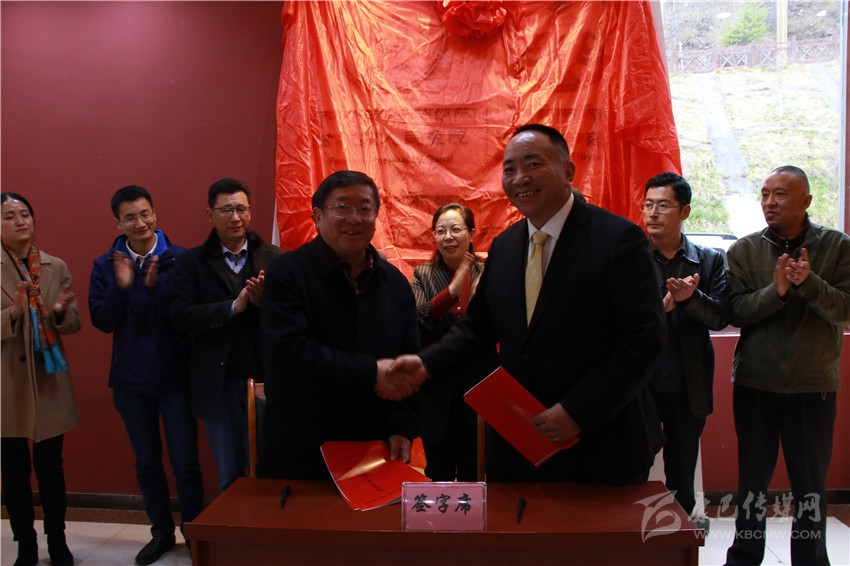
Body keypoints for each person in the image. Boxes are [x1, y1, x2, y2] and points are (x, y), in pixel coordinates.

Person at [390, 124, 666, 484]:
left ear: (567, 171)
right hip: (519, 440)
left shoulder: (618, 239)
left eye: (533, 164)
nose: (520, 177)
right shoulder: (505, 247)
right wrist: (426, 364)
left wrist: (578, 411)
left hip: (600, 440)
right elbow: (478, 329)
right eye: (509, 169)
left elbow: (644, 342)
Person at [257, 170, 420, 480]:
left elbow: (409, 358)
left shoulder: (395, 284)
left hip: (374, 447)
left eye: (364, 208)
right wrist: (370, 373)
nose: (354, 218)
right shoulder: (287, 274)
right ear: (317, 216)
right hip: (302, 447)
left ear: (376, 216)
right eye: (342, 207)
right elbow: (289, 353)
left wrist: (402, 423)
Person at [724, 165, 850, 566]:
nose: (769, 203)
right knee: (752, 483)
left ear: (806, 201)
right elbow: (735, 311)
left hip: (812, 385)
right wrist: (776, 292)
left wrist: (809, 284)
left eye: (780, 195)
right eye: (764, 194)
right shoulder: (744, 249)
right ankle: (744, 557)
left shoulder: (838, 246)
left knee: (809, 486)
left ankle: (810, 561)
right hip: (756, 382)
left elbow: (845, 310)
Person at [88, 186, 203, 565]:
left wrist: (154, 291)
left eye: (145, 214)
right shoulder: (105, 264)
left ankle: (194, 532)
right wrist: (123, 288)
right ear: (117, 223)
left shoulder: (181, 260)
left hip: (175, 378)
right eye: (130, 217)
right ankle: (161, 532)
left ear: (155, 214)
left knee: (185, 462)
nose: (140, 223)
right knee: (147, 461)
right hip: (130, 382)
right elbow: (103, 320)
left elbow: (186, 319)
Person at [170, 178, 281, 491]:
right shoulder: (191, 262)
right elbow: (180, 316)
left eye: (242, 209)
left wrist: (262, 303)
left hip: (267, 379)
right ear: (210, 215)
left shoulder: (272, 257)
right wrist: (232, 307)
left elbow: (292, 316)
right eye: (227, 210)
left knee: (270, 470)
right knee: (230, 475)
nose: (236, 217)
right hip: (218, 383)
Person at [642, 172, 730, 522]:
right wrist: (658, 311)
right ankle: (631, 539)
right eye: (648, 205)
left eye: (663, 205)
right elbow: (614, 318)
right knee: (634, 467)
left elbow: (721, 316)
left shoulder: (709, 260)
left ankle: (679, 539)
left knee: (681, 474)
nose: (653, 213)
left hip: (686, 382)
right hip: (641, 383)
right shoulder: (631, 257)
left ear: (685, 211)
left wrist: (692, 299)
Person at [1, 193, 79, 566]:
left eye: (25, 214)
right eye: (9, 216)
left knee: (51, 469)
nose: (20, 221)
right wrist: (13, 313)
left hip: (48, 379)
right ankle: (25, 545)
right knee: (14, 471)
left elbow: (73, 322)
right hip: (7, 385)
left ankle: (57, 540)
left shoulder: (54, 265)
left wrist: (60, 312)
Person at [411, 203, 496, 481]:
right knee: (439, 473)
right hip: (437, 392)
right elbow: (417, 321)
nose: (448, 237)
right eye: (441, 231)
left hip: (481, 390)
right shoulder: (422, 274)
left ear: (471, 233)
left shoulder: (489, 272)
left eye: (456, 229)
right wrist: (452, 291)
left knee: (477, 471)